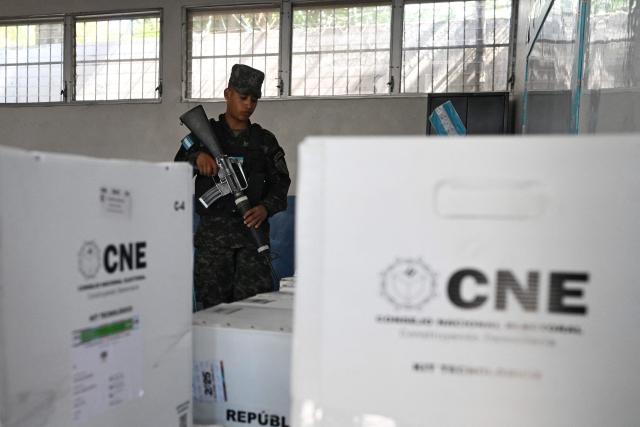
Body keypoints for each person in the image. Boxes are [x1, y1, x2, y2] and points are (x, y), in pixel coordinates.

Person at [175, 64, 291, 310]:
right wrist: (196, 159)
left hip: (252, 241)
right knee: (211, 311)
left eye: (254, 99)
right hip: (213, 244)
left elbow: (281, 183)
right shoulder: (205, 136)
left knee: (253, 312)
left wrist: (265, 208)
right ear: (228, 94)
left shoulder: (265, 141)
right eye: (243, 97)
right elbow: (175, 168)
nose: (248, 104)